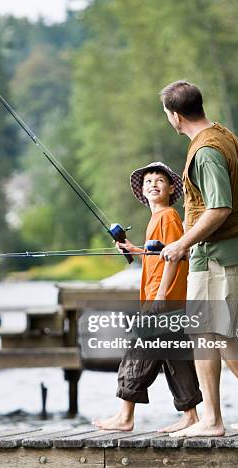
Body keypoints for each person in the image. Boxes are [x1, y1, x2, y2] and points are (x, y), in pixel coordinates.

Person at [158, 80, 238, 437]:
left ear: (175, 116)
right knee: (209, 331)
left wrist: (181, 244)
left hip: (213, 254)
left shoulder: (206, 151)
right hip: (226, 248)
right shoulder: (225, 136)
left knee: (213, 332)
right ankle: (219, 415)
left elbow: (221, 207)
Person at [92, 162, 202, 432]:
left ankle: (125, 416)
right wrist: (134, 249)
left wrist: (161, 296)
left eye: (160, 181)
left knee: (137, 351)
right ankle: (191, 415)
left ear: (171, 188)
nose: (153, 184)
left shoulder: (167, 217)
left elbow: (176, 256)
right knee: (176, 358)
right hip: (168, 300)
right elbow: (159, 253)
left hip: (163, 299)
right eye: (148, 182)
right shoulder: (158, 219)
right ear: (142, 191)